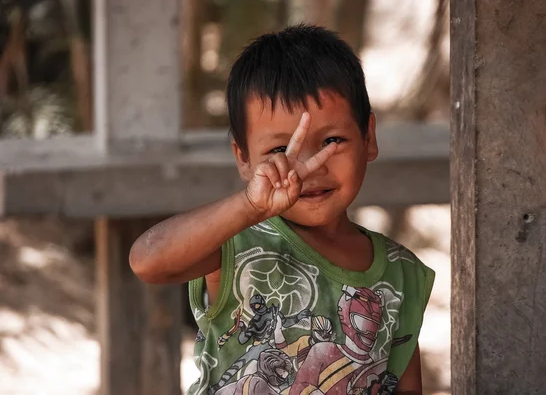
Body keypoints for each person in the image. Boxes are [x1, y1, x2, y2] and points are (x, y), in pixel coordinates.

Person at [129, 24, 435, 395]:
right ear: (243, 159)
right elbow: (147, 260)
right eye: (280, 151)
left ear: (368, 138)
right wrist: (248, 206)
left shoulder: (402, 276)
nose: (308, 167)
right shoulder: (238, 240)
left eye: (332, 140)